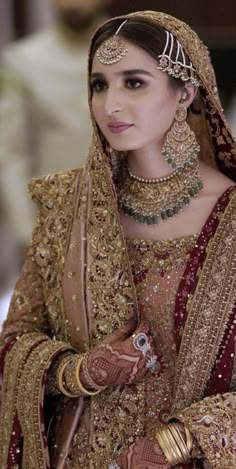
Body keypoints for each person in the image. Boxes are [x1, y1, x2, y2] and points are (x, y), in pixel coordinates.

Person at [0, 10, 236, 469]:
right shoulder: (66, 206)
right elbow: (15, 341)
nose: (110, 105)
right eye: (99, 85)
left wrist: (176, 443)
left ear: (185, 92)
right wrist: (79, 372)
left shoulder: (231, 217)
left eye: (134, 83)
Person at [0, 0, 110, 248]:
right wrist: (26, 233)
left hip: (129, 226)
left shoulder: (138, 54)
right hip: (54, 227)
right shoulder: (22, 61)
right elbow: (11, 153)